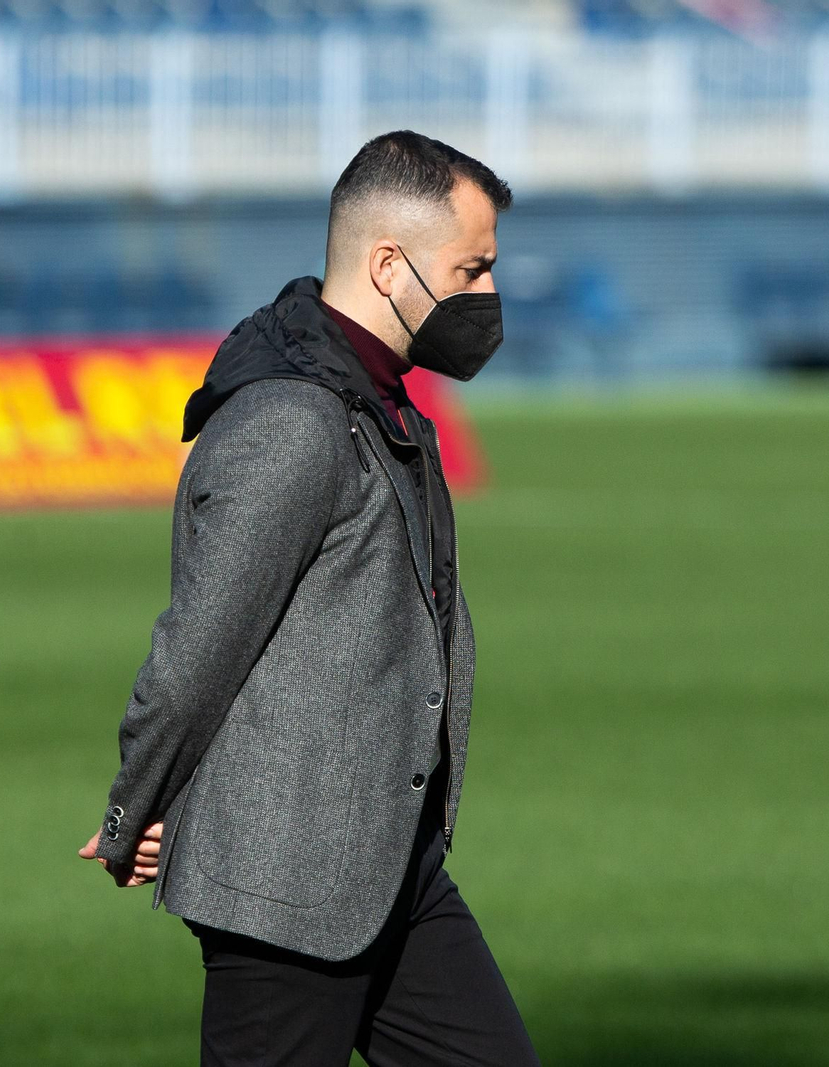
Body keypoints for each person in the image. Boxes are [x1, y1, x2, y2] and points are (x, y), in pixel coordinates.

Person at [76, 129, 538, 1067]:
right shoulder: (292, 419)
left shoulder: (381, 400)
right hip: (285, 879)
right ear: (388, 263)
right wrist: (138, 807)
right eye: (473, 268)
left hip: (390, 869)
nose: (489, 297)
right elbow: (198, 648)